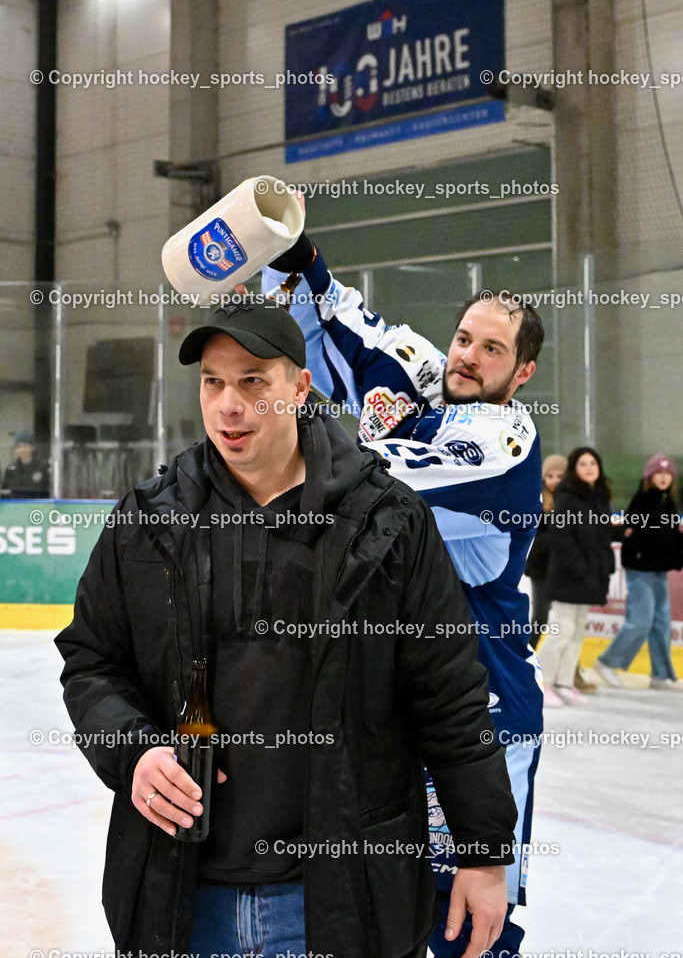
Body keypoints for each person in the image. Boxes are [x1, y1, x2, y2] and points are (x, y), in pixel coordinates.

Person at [55, 298, 518, 958]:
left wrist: (483, 851)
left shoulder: (387, 521)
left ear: (300, 388)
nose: (228, 405)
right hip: (183, 898)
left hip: (338, 897)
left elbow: (448, 694)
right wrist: (133, 751)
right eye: (213, 382)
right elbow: (92, 661)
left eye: (253, 381)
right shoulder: (150, 522)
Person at [261, 233, 545, 958]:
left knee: (465, 926)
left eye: (492, 350)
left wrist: (279, 428)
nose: (467, 357)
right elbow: (344, 323)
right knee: (377, 906)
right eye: (464, 338)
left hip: (481, 711)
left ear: (522, 373)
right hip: (394, 699)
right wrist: (297, 260)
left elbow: (372, 480)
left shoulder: (502, 443)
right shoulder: (423, 378)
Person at [594, 453, 683, 690]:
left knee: (662, 623)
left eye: (667, 474)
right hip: (641, 570)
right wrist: (644, 552)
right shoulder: (642, 500)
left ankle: (661, 675)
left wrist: (675, 555)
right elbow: (634, 534)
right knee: (640, 621)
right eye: (658, 473)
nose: (663, 477)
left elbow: (670, 536)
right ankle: (607, 663)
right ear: (649, 477)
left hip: (659, 571)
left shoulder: (668, 502)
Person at [537, 447, 616, 707]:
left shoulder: (597, 497)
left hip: (590, 577)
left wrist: (604, 566)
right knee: (561, 631)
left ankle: (564, 682)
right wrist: (580, 569)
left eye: (593, 463)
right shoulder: (568, 497)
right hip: (568, 577)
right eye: (583, 464)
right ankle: (543, 682)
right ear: (574, 469)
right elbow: (560, 537)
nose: (589, 468)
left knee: (577, 633)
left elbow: (599, 537)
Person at [524, 454, 567, 649]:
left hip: (563, 567)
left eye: (560, 476)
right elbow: (536, 536)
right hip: (541, 567)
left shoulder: (571, 501)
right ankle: (525, 655)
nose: (555, 481)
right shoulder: (537, 501)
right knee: (540, 617)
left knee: (567, 620)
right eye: (550, 476)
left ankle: (570, 663)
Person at [0, 431, 49, 498]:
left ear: (32, 448)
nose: (22, 450)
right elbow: (5, 495)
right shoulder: (10, 470)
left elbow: (48, 493)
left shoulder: (43, 467)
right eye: (18, 447)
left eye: (25, 446)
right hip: (16, 504)